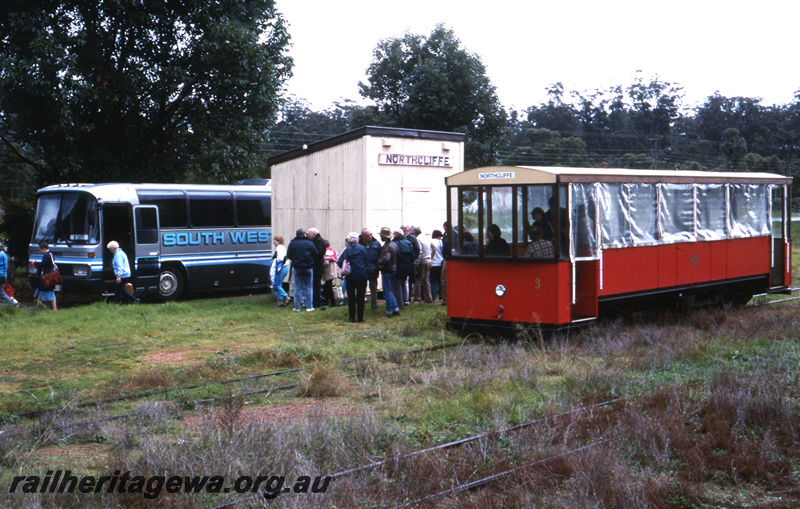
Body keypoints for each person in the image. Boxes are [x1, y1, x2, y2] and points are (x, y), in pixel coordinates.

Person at [337, 232, 369, 323]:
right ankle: (360, 317)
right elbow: (367, 260)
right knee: (361, 296)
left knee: (351, 297)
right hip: (362, 275)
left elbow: (340, 262)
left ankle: (352, 317)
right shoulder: (362, 249)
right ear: (356, 240)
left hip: (350, 276)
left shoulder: (347, 250)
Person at [286, 228, 318, 311]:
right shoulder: (309, 243)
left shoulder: (292, 243)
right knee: (308, 287)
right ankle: (309, 306)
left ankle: (297, 307)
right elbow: (316, 254)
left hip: (297, 267)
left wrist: (295, 259)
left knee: (297, 287)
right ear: (304, 234)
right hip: (308, 267)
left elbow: (289, 255)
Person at [377, 227, 399, 318]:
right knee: (390, 291)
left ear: (384, 236)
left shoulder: (386, 246)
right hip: (393, 269)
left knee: (387, 292)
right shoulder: (393, 244)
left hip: (387, 271)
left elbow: (386, 258)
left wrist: (379, 263)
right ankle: (396, 309)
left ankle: (389, 311)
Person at [28, 242, 57, 311]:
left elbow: (42, 264)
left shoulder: (46, 255)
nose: (40, 251)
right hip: (50, 275)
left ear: (43, 249)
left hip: (47, 276)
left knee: (50, 292)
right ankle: (37, 306)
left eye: (40, 250)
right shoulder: (51, 254)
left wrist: (34, 262)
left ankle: (54, 308)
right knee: (40, 289)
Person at [360, 228, 381, 312]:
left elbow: (380, 255)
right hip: (363, 269)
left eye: (371, 234)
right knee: (361, 289)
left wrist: (377, 265)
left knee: (373, 289)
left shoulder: (376, 243)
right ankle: (361, 307)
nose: (370, 237)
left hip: (373, 269)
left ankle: (374, 307)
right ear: (363, 236)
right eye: (367, 235)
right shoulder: (359, 244)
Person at [392, 228, 414, 310]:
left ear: (396, 234)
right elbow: (412, 256)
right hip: (407, 267)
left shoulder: (393, 244)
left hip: (397, 267)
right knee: (404, 284)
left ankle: (400, 305)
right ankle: (405, 300)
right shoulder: (408, 243)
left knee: (397, 286)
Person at [307, 228, 329, 309]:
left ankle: (317, 302)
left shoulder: (318, 241)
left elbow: (318, 253)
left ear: (313, 234)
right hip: (318, 266)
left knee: (316, 285)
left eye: (309, 234)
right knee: (316, 285)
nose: (308, 236)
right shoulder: (319, 240)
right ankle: (316, 302)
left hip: (317, 266)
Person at [413, 228, 433, 303]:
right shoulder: (427, 238)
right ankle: (428, 298)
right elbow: (434, 247)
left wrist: (417, 263)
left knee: (418, 281)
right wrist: (431, 257)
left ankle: (416, 299)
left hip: (423, 262)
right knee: (426, 281)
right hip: (429, 260)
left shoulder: (418, 239)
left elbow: (419, 251)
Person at [271, 236, 291, 307]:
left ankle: (286, 297)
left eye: (275, 241)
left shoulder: (279, 247)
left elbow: (280, 258)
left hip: (282, 268)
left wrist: (274, 261)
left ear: (278, 241)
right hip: (285, 267)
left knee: (276, 284)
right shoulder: (282, 247)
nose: (274, 242)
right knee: (279, 284)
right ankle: (280, 301)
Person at [321, 243, 341, 308]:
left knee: (328, 287)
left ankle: (332, 302)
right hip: (333, 271)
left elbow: (326, 262)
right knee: (327, 286)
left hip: (328, 271)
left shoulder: (326, 251)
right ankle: (327, 301)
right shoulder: (332, 251)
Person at [0, 242, 20, 307]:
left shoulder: (1, 255)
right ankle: (13, 303)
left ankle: (13, 304)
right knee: (1, 292)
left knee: (1, 292)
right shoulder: (5, 255)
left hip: (1, 275)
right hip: (4, 275)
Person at [429, 230, 443, 302]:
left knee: (432, 281)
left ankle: (433, 296)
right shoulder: (441, 242)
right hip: (440, 263)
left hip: (433, 263)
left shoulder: (431, 241)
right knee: (441, 281)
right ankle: (441, 296)